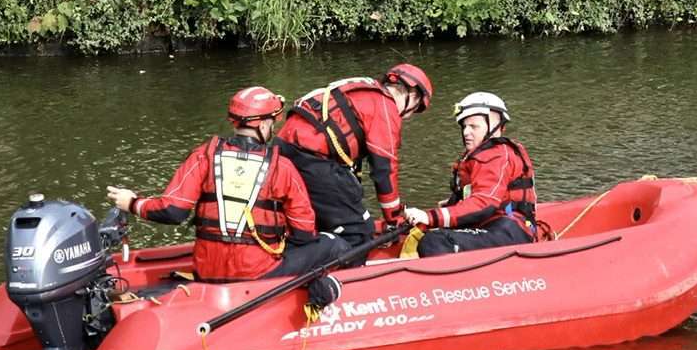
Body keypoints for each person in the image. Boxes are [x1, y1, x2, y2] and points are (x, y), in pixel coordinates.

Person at [106, 86, 342, 281]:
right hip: (258, 273)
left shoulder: (204, 156)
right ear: (262, 125)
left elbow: (172, 211)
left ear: (235, 122)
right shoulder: (282, 167)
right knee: (332, 244)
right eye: (272, 123)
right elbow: (303, 232)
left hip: (208, 270)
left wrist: (133, 202)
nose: (273, 128)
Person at [275, 64, 433, 251]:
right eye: (415, 110)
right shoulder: (385, 106)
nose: (408, 117)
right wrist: (394, 218)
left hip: (285, 149)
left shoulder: (363, 93)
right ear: (413, 96)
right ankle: (343, 275)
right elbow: (384, 170)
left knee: (312, 219)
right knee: (357, 232)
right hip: (312, 158)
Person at [409, 91, 538, 257]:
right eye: (464, 126)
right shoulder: (480, 156)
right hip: (489, 227)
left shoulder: (497, 155)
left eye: (474, 126)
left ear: (495, 127)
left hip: (508, 230)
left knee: (435, 242)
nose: (466, 132)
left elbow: (484, 203)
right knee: (428, 233)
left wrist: (432, 217)